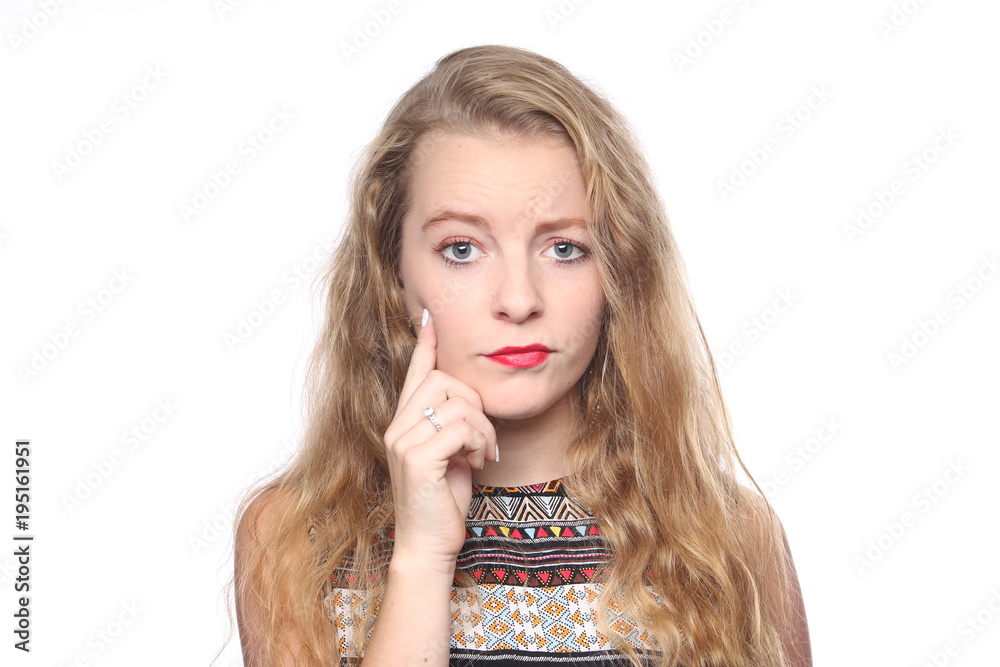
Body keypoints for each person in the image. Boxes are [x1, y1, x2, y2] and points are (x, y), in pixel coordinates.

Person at [231, 44, 812, 666]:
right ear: (393, 273)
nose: (518, 300)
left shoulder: (726, 539)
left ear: (617, 271)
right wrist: (422, 559)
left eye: (564, 249)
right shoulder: (294, 538)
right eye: (461, 249)